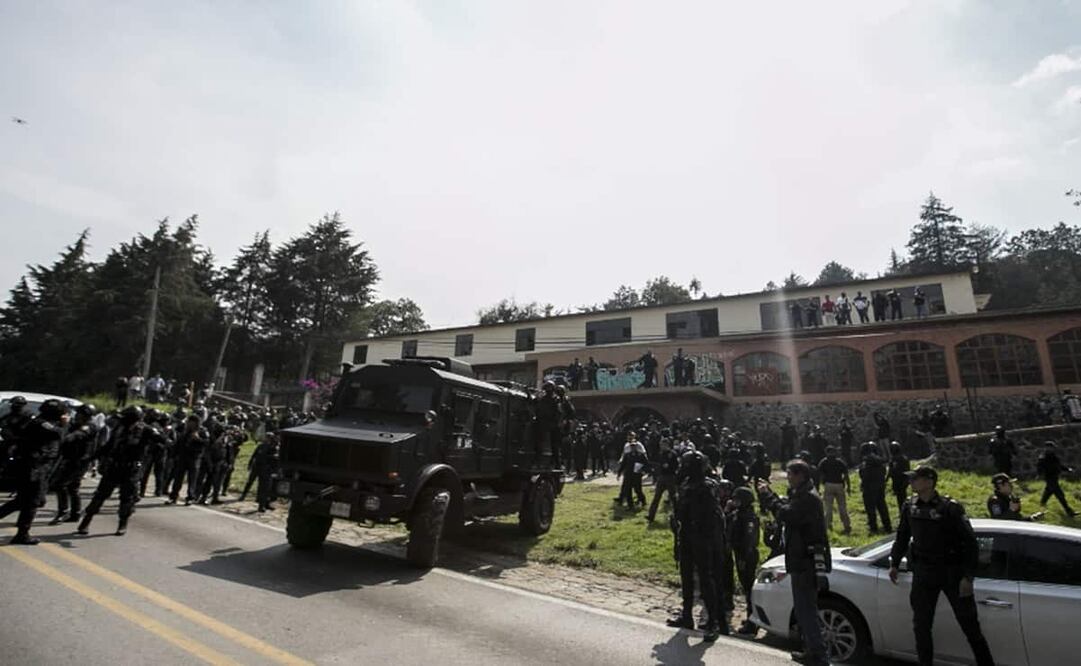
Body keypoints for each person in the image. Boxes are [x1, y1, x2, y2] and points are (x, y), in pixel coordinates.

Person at [889, 466, 995, 666]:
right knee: (921, 626)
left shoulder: (950, 508)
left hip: (951, 572)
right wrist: (894, 563)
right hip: (923, 572)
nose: (911, 482)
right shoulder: (909, 506)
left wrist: (968, 576)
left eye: (915, 479)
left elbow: (971, 543)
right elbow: (902, 536)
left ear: (929, 482)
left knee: (970, 626)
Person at [756, 460, 831, 666]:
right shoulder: (800, 494)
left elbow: (786, 514)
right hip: (799, 560)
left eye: (790, 474)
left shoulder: (808, 498)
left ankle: (820, 657)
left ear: (801, 475)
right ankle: (811, 650)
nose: (787, 477)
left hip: (806, 562)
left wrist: (767, 495)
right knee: (802, 610)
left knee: (807, 610)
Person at [666, 450, 725, 641]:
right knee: (686, 577)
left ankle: (713, 622)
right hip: (687, 535)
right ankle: (686, 616)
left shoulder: (706, 487)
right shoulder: (686, 485)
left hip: (703, 537)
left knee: (706, 579)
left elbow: (711, 517)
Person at [77, 405, 150, 536]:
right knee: (100, 496)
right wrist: (92, 457)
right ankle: (86, 522)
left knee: (126, 499)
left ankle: (122, 524)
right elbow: (108, 446)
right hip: (114, 467)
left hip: (131, 468)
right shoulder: (119, 428)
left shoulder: (144, 430)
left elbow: (164, 441)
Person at [0, 398, 65, 544]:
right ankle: (22, 534)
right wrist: (63, 424)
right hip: (32, 467)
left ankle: (22, 533)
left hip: (36, 467)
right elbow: (59, 434)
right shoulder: (41, 423)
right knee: (31, 501)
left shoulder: (37, 421)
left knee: (26, 501)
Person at [49, 404, 100, 525]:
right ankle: (75, 513)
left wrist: (65, 427)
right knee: (73, 488)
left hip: (79, 462)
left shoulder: (89, 427)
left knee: (60, 485)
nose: (76, 415)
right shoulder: (76, 424)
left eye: (79, 413)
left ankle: (63, 511)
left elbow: (74, 436)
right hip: (71, 459)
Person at [726, 486, 761, 635]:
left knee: (749, 588)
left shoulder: (748, 517)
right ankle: (751, 617)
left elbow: (749, 539)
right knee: (746, 587)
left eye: (737, 499)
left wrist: (744, 558)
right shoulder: (738, 514)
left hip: (747, 555)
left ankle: (752, 622)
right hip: (739, 553)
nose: (735, 501)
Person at [168, 414, 209, 505]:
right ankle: (173, 496)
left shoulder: (202, 431)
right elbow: (178, 444)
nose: (189, 424)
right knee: (178, 478)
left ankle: (190, 497)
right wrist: (173, 455)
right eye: (189, 422)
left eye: (192, 422)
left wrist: (198, 439)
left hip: (194, 458)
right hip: (183, 457)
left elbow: (207, 443)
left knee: (192, 479)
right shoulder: (185, 431)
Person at [240, 433, 280, 512]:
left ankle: (262, 505)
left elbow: (274, 459)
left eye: (268, 438)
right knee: (250, 481)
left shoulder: (274, 447)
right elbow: (254, 455)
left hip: (266, 469)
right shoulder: (261, 446)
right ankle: (243, 495)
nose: (266, 439)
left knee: (264, 488)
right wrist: (250, 464)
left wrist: (274, 469)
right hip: (257, 467)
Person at [1036, 440, 1077, 516]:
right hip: (1050, 479)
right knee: (1060, 495)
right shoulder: (1043, 458)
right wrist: (1039, 474)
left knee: (1047, 494)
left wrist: (1068, 469)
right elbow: (1039, 467)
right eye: (1051, 448)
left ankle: (1041, 508)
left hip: (1054, 478)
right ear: (1047, 448)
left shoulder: (1054, 456)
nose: (1053, 449)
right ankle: (1069, 512)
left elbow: (1059, 466)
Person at [858, 442, 892, 533]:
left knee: (870, 508)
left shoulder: (866, 461)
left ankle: (873, 528)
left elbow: (865, 474)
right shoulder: (879, 459)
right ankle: (887, 526)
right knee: (882, 506)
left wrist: (863, 484)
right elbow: (884, 471)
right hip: (880, 485)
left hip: (869, 487)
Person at [818, 446, 851, 534]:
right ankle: (847, 525)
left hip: (828, 484)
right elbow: (846, 475)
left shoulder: (824, 462)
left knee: (828, 507)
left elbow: (821, 475)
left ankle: (827, 525)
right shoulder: (840, 462)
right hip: (839, 484)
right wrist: (848, 486)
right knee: (842, 507)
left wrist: (822, 485)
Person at [648, 437, 679, 522]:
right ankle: (651, 515)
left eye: (662, 445)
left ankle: (678, 515)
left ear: (667, 445)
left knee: (673, 498)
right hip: (662, 477)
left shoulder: (672, 454)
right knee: (656, 497)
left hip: (670, 477)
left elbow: (676, 466)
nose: (661, 446)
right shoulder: (661, 454)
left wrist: (669, 466)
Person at [534, 382, 562, 468]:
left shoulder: (556, 400)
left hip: (552, 425)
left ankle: (556, 463)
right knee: (540, 443)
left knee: (554, 446)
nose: (548, 391)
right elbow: (538, 409)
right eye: (547, 389)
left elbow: (558, 414)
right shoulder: (543, 400)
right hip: (544, 424)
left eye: (549, 389)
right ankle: (539, 461)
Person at [615, 432, 648, 508]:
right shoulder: (628, 454)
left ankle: (643, 501)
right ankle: (629, 505)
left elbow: (645, 462)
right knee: (627, 489)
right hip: (628, 473)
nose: (632, 447)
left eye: (634, 446)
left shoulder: (640, 453)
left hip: (636, 473)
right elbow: (623, 463)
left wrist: (643, 470)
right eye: (631, 446)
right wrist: (619, 473)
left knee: (638, 489)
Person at [887, 441, 911, 516]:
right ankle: (902, 511)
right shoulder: (895, 459)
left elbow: (907, 470)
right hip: (897, 480)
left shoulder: (902, 458)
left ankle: (905, 512)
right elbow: (890, 470)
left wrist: (906, 480)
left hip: (901, 480)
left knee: (902, 497)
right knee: (900, 497)